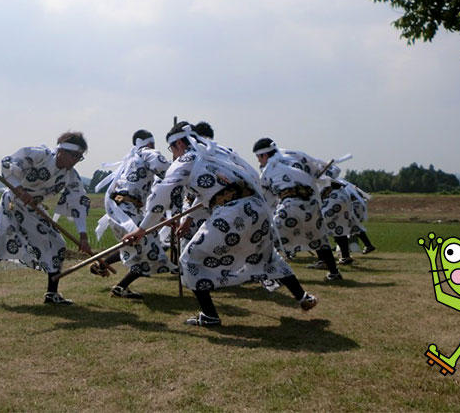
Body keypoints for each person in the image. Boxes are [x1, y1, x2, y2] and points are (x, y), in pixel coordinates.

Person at [123, 123, 317, 327]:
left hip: (232, 212)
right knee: (266, 256)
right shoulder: (217, 153)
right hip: (256, 209)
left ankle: (210, 315)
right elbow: (213, 190)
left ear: (179, 143)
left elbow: (161, 193)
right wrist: (188, 219)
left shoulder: (187, 159)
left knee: (189, 260)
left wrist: (142, 229)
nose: (172, 155)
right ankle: (303, 296)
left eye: (172, 149)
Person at [0, 132, 92, 306]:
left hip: (34, 209)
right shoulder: (39, 155)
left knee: (56, 243)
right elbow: (8, 165)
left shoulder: (71, 176)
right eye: (74, 156)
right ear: (62, 151)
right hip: (13, 204)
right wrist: (19, 189)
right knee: (0, 245)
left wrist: (83, 235)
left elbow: (78, 203)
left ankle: (52, 294)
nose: (76, 160)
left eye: (79, 157)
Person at [93, 129, 173, 299]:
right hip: (127, 209)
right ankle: (120, 285)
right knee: (151, 251)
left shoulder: (131, 160)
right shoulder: (148, 153)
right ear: (150, 143)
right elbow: (169, 174)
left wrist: (164, 219)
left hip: (121, 209)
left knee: (135, 247)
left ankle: (115, 280)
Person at [253, 138, 342, 281]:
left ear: (264, 155)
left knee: (269, 238)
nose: (259, 162)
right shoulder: (297, 157)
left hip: (290, 206)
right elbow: (322, 171)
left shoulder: (268, 171)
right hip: (312, 205)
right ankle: (334, 272)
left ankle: (268, 275)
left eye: (258, 158)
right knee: (319, 237)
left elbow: (265, 199)